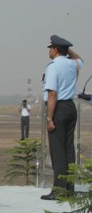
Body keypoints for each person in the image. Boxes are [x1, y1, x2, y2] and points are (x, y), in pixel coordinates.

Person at [41, 35, 84, 200]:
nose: (49, 51)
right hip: (70, 107)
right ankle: (69, 188)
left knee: (57, 151)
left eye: (51, 48)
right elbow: (79, 59)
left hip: (58, 108)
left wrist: (49, 119)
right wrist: (67, 50)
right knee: (68, 149)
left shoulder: (53, 67)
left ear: (55, 50)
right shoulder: (73, 64)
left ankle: (59, 190)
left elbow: (52, 93)